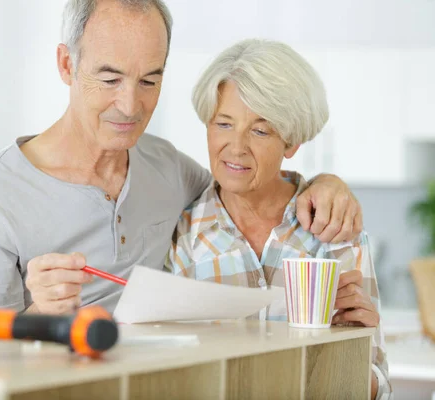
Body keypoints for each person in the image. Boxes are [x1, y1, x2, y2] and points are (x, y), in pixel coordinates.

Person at [0, 0, 363, 317]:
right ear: (66, 64)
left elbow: (244, 180)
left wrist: (327, 183)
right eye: (110, 79)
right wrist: (38, 316)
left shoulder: (167, 168)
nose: (130, 106)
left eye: (149, 80)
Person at [164, 39, 390, 399]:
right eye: (224, 123)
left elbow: (378, 382)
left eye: (260, 130)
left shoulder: (333, 228)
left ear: (291, 141)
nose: (235, 147)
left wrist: (350, 351)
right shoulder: (183, 234)